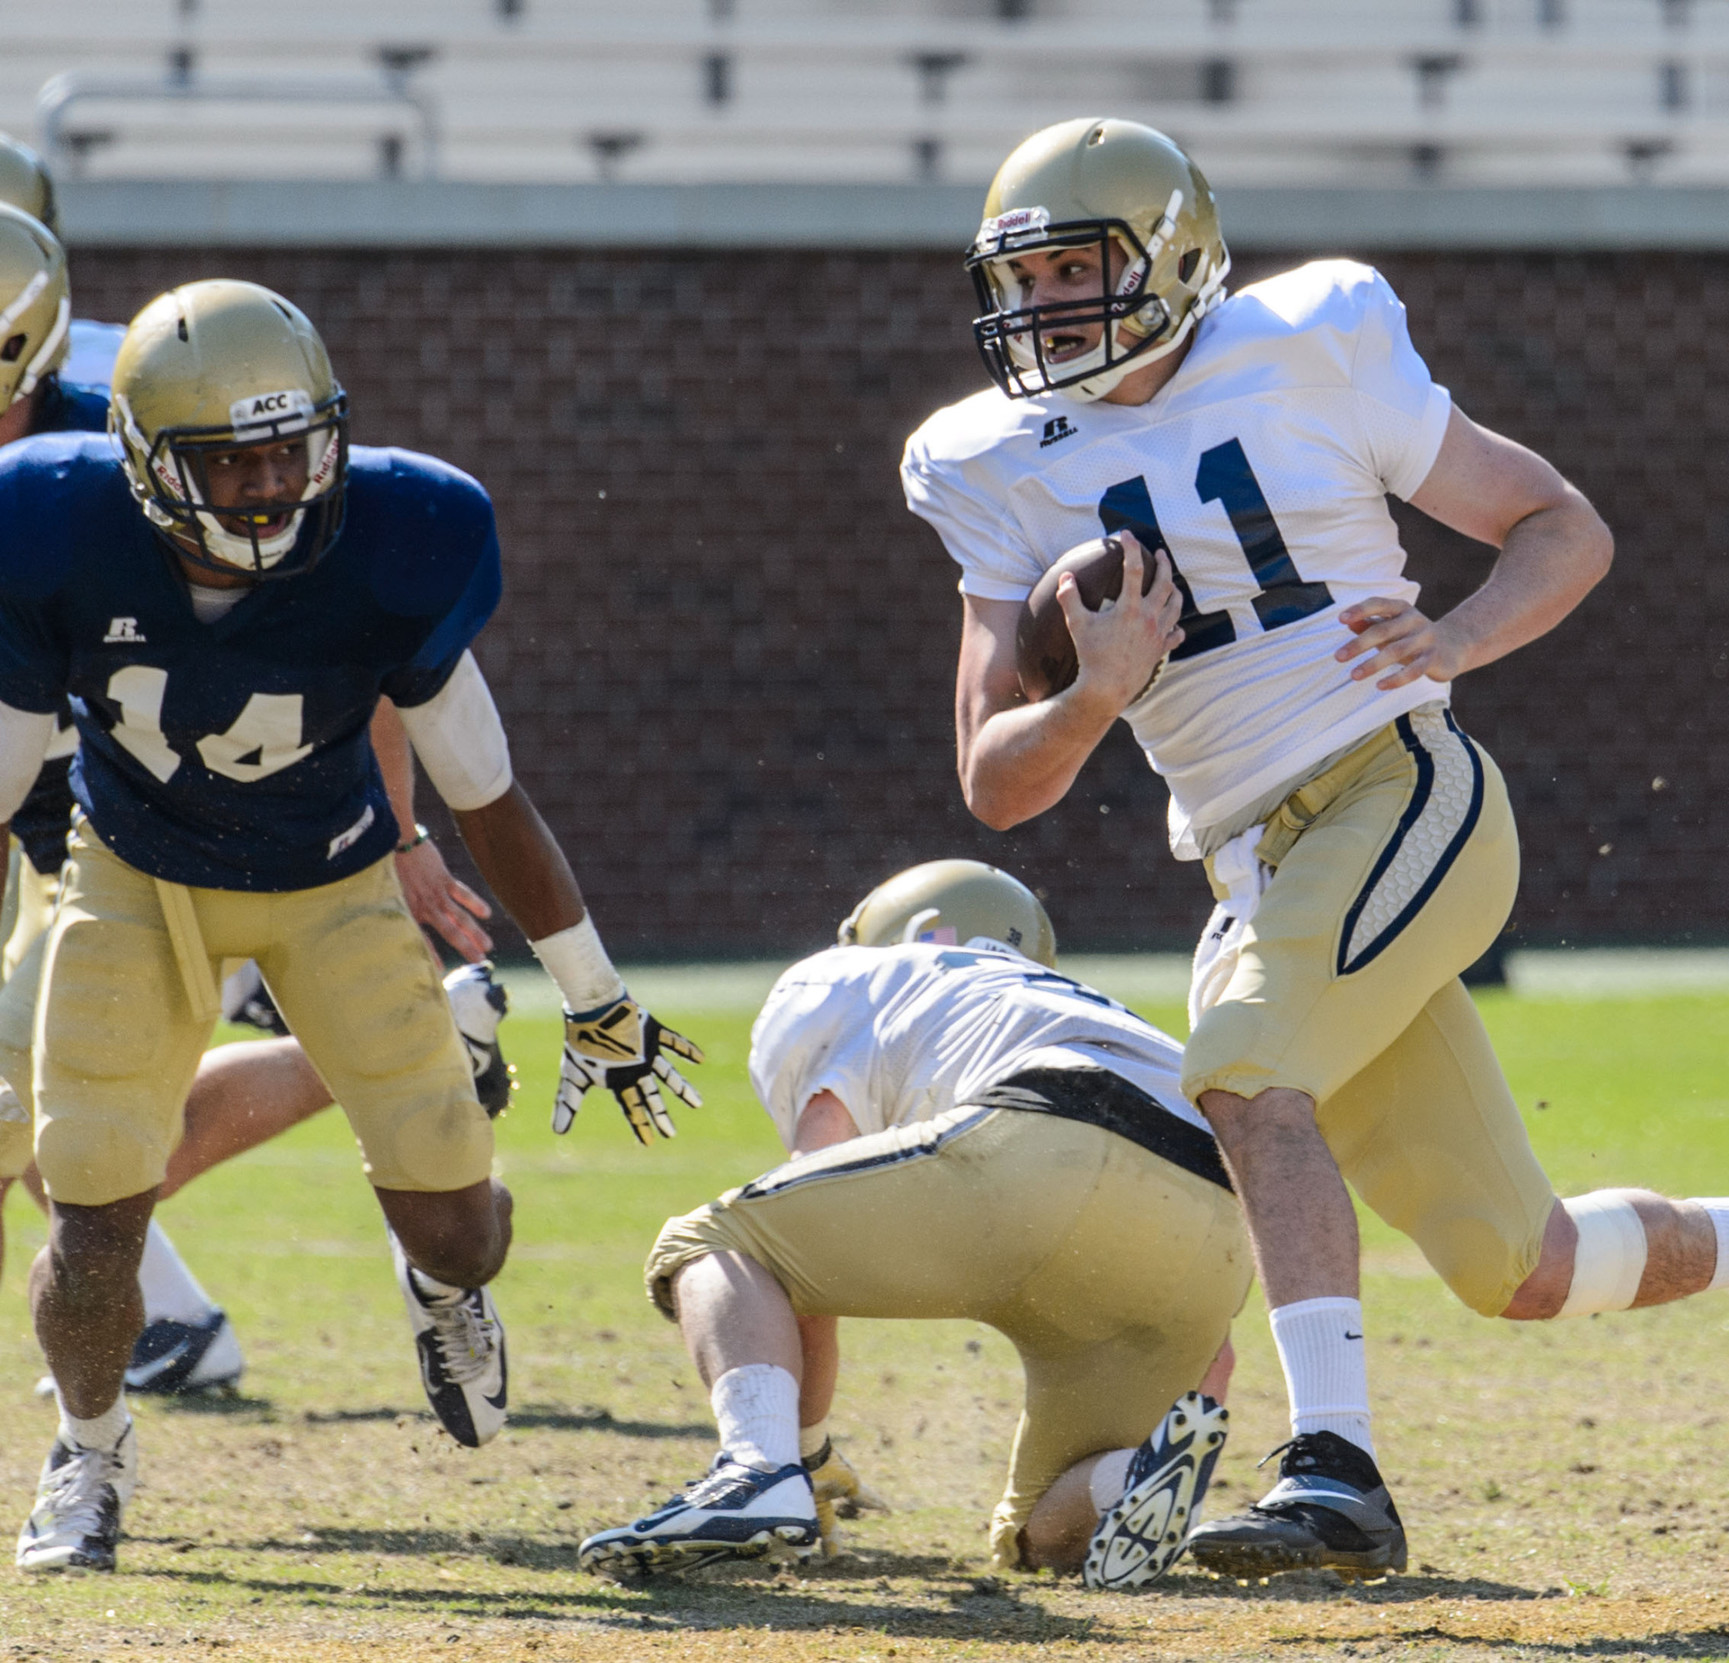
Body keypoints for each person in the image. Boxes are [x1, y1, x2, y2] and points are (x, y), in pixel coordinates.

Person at [905, 117, 1729, 1583]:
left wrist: (1455, 633)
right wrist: (1093, 692)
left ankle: (1333, 1471)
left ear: (1175, 256)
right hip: (1253, 862)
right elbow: (995, 783)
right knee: (1512, 1260)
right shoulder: (988, 460)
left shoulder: (1308, 340)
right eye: (1023, 282)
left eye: (1079, 269)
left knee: (1242, 1070)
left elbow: (1557, 523)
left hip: (1397, 786)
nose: (1045, 312)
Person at [0, 278, 702, 1573]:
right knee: (96, 1205)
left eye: (292, 448)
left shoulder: (404, 530)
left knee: (463, 1228)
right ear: (150, 466)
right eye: (232, 459)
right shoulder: (51, 521)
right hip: (130, 872)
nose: (271, 486)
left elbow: (487, 789)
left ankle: (438, 1290)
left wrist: (596, 994)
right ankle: (90, 1452)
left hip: (332, 879)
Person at [0, 163, 515, 1401]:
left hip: (171, 823)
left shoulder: (136, 432)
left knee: (32, 1111)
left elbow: (341, 643)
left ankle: (173, 1312)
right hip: (38, 821)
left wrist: (394, 832)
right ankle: (169, 1317)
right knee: (47, 1124)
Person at [582, 860, 1248, 1589]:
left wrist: (798, 1450)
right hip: (1215, 1220)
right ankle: (1127, 1480)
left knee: (714, 1241)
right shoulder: (1088, 1002)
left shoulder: (854, 976)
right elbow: (1213, 1366)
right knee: (1039, 1536)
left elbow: (806, 1231)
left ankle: (754, 1470)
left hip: (1048, 1137)